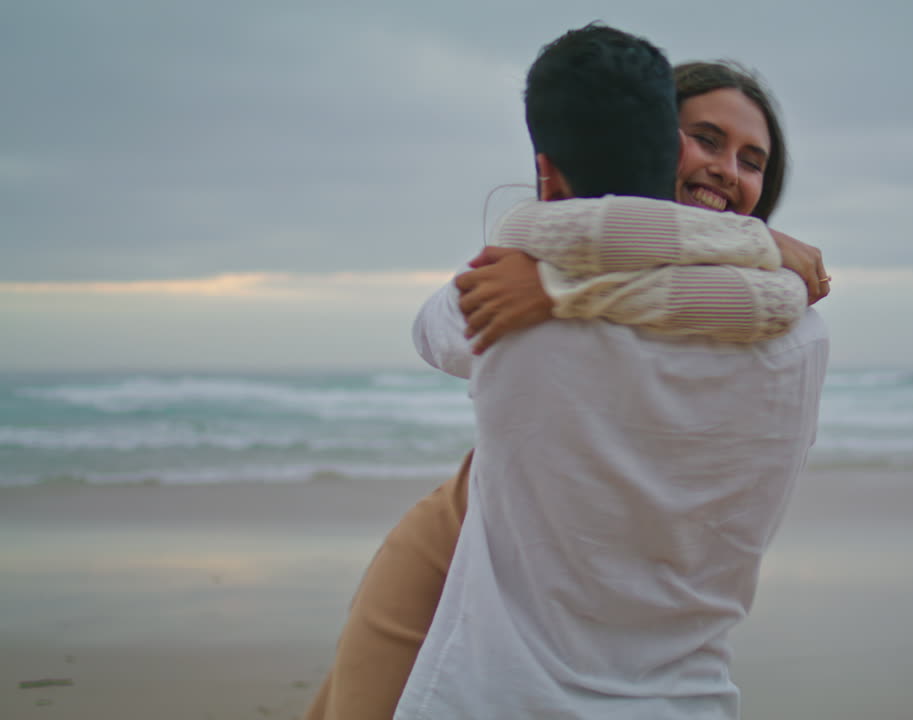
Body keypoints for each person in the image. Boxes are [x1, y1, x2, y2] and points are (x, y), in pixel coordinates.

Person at [304, 28, 827, 720]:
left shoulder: (521, 294)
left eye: (752, 160)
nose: (728, 170)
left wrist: (564, 274)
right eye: (705, 139)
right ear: (648, 137)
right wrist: (755, 245)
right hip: (496, 531)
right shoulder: (798, 325)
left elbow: (443, 328)